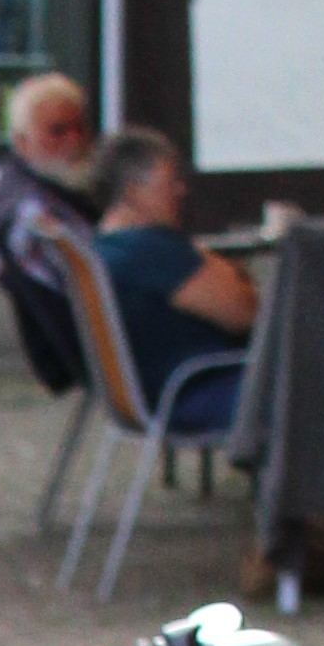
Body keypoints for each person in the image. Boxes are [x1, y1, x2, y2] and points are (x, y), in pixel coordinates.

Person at [90, 126, 255, 425]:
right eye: (170, 181)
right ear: (133, 193)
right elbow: (244, 313)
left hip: (159, 391)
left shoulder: (102, 248)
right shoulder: (150, 250)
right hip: (197, 389)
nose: (181, 190)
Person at [0, 70, 98, 394]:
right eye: (57, 131)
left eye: (80, 128)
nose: (74, 141)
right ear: (21, 142)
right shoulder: (36, 211)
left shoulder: (55, 189)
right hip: (102, 354)